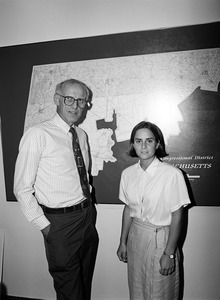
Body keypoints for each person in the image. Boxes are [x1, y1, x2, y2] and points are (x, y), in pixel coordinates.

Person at [14, 78, 99, 300]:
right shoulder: (38, 134)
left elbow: (83, 176)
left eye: (82, 101)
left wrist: (89, 209)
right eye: (69, 99)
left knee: (84, 282)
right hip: (59, 224)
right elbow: (22, 188)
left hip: (86, 217)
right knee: (69, 290)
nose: (75, 106)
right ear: (56, 99)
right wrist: (45, 226)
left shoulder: (81, 135)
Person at [117, 121, 191, 300]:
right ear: (133, 144)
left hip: (161, 240)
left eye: (149, 141)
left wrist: (170, 253)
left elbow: (177, 214)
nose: (143, 146)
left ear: (157, 144)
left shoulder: (172, 174)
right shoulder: (127, 174)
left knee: (160, 292)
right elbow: (128, 209)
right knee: (137, 290)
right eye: (138, 141)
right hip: (136, 238)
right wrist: (123, 242)